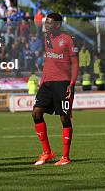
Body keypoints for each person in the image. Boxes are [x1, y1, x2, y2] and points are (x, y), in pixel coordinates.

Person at [32, 13, 78, 166]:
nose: (46, 25)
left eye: (49, 23)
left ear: (58, 24)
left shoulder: (68, 40)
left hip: (63, 84)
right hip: (47, 83)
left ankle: (65, 157)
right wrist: (42, 80)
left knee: (64, 118)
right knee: (36, 112)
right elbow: (48, 60)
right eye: (46, 22)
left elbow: (75, 64)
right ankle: (47, 152)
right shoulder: (47, 38)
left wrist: (71, 84)